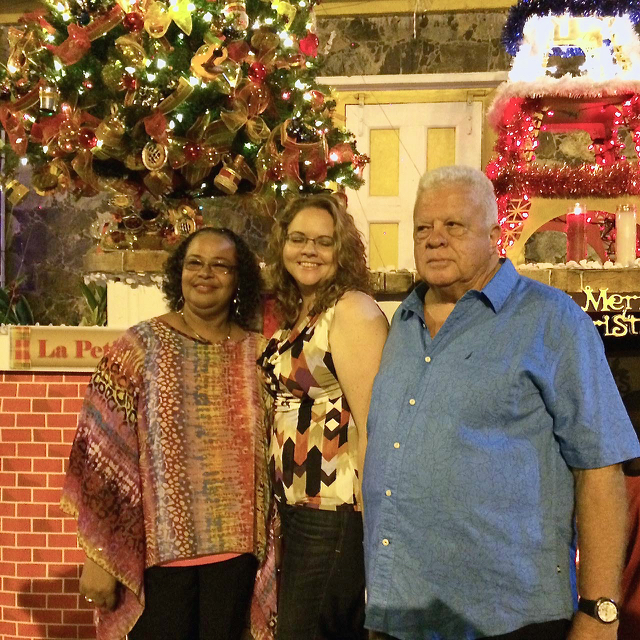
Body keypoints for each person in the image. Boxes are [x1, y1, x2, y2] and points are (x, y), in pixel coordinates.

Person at [363, 165, 640, 640]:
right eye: (423, 228)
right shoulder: (400, 324)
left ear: (495, 234)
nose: (434, 239)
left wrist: (599, 611)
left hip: (508, 618)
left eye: (453, 226)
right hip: (399, 613)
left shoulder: (552, 321)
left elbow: (599, 469)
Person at [61, 227, 274, 640]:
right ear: (178, 273)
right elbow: (100, 455)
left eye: (220, 266)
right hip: (156, 562)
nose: (205, 273)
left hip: (236, 560)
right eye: (195, 263)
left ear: (239, 279)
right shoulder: (138, 347)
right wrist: (99, 555)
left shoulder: (261, 354)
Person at [259, 194, 388, 640]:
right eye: (298, 239)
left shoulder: (352, 310)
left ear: (342, 250)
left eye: (323, 241)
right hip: (297, 509)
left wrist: (377, 529)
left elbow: (377, 425)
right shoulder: (298, 315)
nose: (308, 250)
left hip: (335, 511)